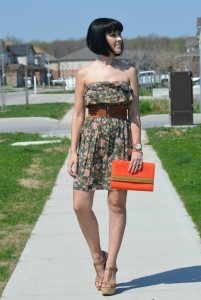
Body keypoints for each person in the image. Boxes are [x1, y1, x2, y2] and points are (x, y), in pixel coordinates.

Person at [68, 17, 142, 296]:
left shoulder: (129, 71)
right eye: (112, 34)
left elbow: (134, 113)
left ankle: (110, 268)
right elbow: (78, 114)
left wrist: (137, 147)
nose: (119, 38)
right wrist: (72, 151)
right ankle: (96, 257)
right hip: (90, 140)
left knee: (116, 205)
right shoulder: (84, 74)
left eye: (119, 33)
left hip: (121, 140)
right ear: (100, 39)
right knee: (80, 205)